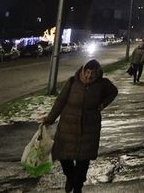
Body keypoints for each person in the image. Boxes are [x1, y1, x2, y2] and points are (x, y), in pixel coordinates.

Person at [42, 59, 118, 193]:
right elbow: (60, 101)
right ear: (83, 71)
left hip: (89, 128)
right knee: (64, 158)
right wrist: (50, 118)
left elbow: (113, 92)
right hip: (68, 127)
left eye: (93, 73)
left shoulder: (103, 84)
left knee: (83, 161)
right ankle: (70, 177)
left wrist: (103, 104)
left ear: (98, 73)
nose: (89, 76)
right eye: (87, 72)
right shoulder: (72, 82)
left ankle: (78, 187)